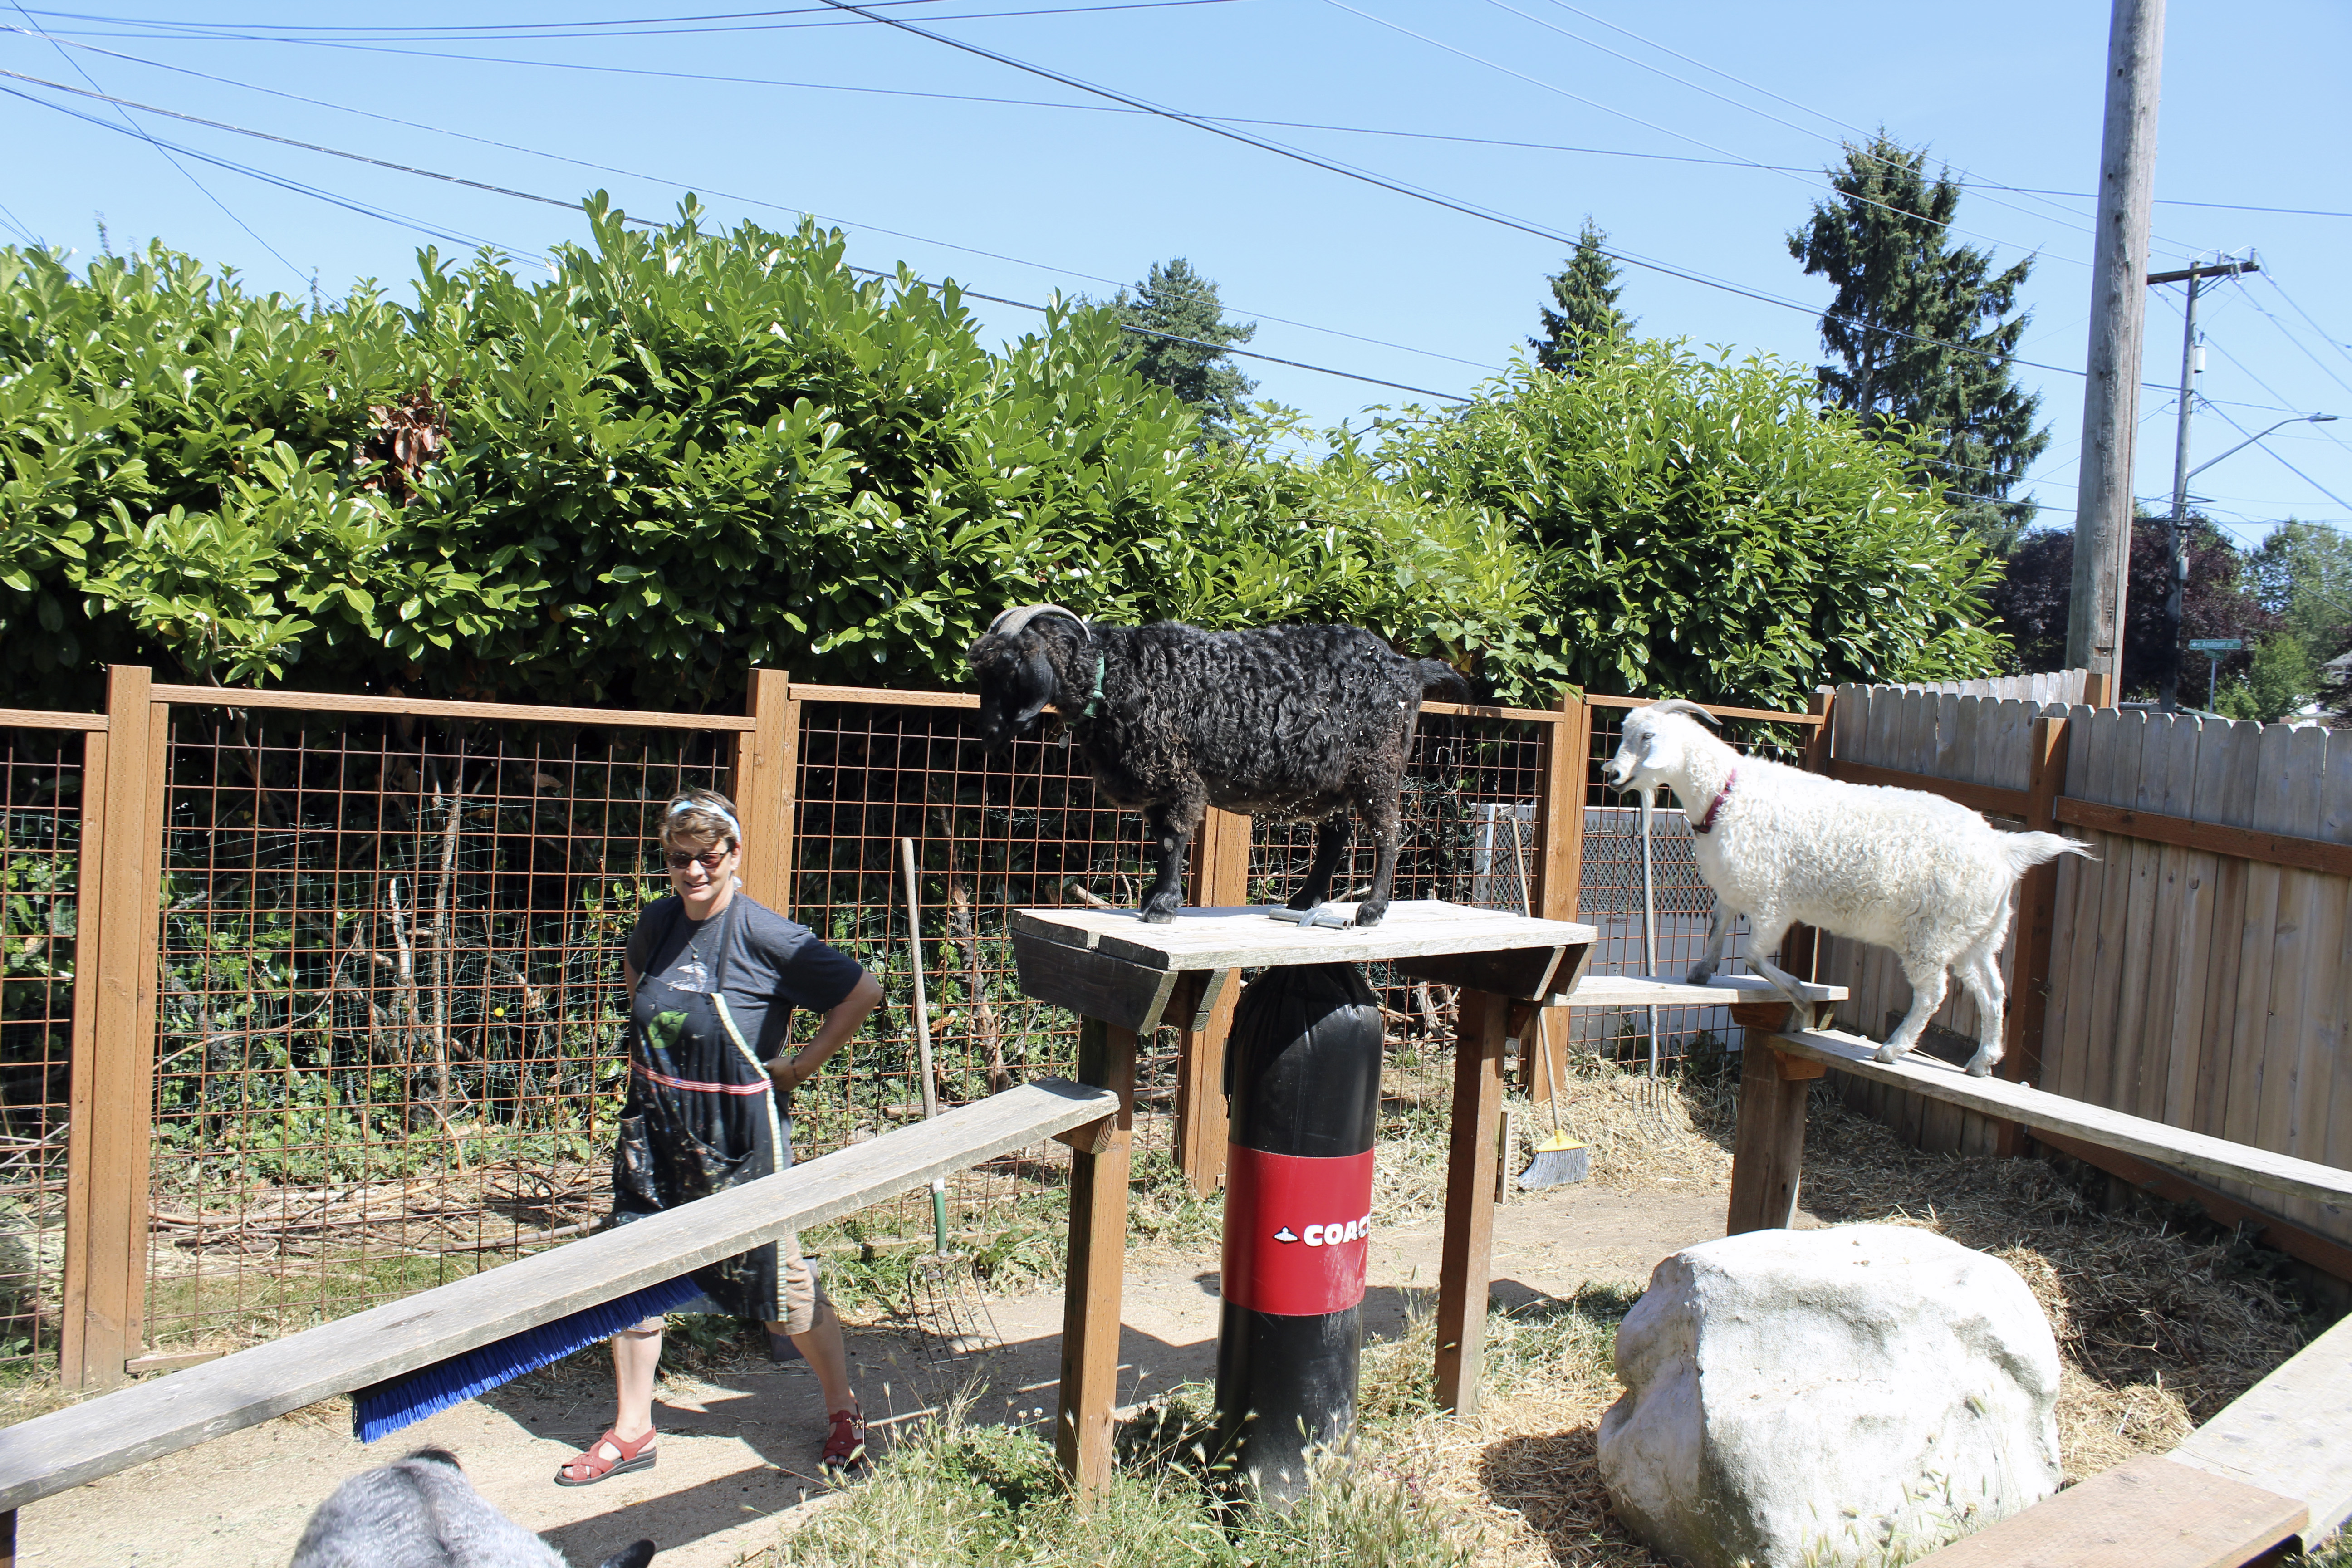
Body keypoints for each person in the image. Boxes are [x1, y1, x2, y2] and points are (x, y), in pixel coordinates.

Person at [557, 787, 884, 1486]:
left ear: (735, 853)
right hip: (656, 1126)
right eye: (680, 860)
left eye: (709, 856)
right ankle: (633, 1429)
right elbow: (640, 989)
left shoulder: (769, 936)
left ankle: (843, 1410)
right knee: (635, 1274)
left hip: (740, 1139)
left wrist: (799, 1066)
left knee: (784, 1287)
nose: (695, 873)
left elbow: (862, 990)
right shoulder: (657, 923)